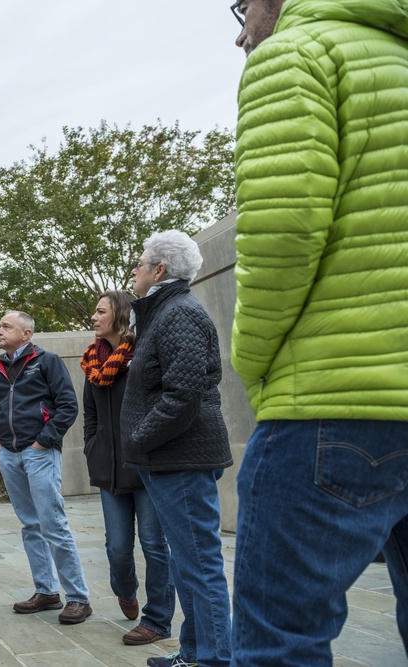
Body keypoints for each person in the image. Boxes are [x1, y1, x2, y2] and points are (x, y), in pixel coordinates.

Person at [230, 0, 408, 663]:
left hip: (331, 407)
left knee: (281, 641)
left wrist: (255, 363)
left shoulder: (298, 53)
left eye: (241, 8)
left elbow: (283, 235)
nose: (241, 31)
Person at [121, 231, 234, 667]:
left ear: (159, 270)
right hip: (169, 459)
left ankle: (214, 660)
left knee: (199, 565)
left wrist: (137, 437)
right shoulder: (165, 311)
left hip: (181, 459)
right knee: (189, 564)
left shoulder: (179, 314)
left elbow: (183, 395)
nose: (135, 269)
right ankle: (194, 653)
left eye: (140, 262)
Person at [0, 310, 93, 625]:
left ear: (26, 333)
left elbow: (68, 405)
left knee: (52, 523)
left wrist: (44, 441)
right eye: (0, 326)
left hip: (39, 453)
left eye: (7, 326)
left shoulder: (47, 362)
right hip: (10, 454)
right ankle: (46, 591)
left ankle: (78, 598)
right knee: (30, 524)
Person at [81, 290, 175, 646]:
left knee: (153, 544)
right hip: (109, 469)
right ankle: (126, 590)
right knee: (117, 547)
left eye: (100, 311)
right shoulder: (92, 363)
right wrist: (93, 446)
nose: (93, 317)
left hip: (147, 466)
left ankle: (158, 619)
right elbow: (90, 413)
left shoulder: (143, 356)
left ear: (119, 316)